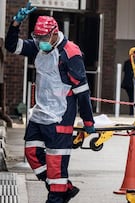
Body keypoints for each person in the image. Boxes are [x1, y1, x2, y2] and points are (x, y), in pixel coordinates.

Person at [5, 2, 95, 203]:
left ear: (55, 33)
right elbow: (12, 46)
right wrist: (15, 23)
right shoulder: (38, 47)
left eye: (45, 38)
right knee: (32, 154)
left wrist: (88, 122)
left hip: (60, 118)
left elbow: (82, 91)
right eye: (38, 38)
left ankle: (57, 193)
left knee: (56, 168)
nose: (41, 42)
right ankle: (64, 187)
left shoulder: (70, 54)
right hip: (40, 114)